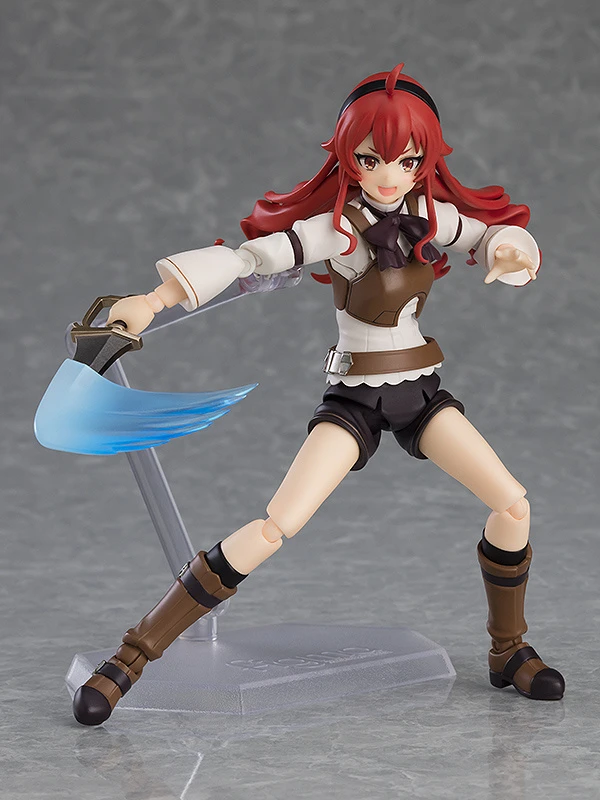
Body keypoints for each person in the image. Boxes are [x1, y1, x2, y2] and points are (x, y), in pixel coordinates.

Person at [73, 63, 564, 726]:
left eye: (406, 161)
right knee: (276, 525)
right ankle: (130, 658)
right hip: (356, 399)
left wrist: (513, 251)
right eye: (371, 158)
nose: (388, 175)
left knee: (512, 504)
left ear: (425, 162)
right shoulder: (335, 230)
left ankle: (508, 650)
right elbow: (249, 259)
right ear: (347, 157)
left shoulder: (429, 216)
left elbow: (491, 232)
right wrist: (154, 300)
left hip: (420, 391)